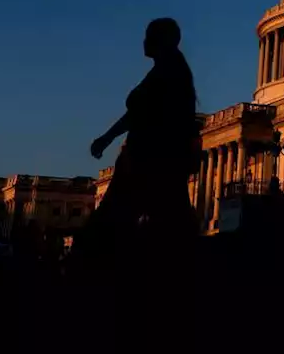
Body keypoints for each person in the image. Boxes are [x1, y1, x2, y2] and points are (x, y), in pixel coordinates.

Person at [77, 18, 200, 271]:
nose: (144, 41)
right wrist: (109, 137)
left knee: (109, 226)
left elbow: (143, 115)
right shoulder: (167, 70)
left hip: (149, 161)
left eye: (149, 35)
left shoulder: (169, 72)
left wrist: (108, 138)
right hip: (151, 160)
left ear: (164, 40)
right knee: (171, 223)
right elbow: (139, 114)